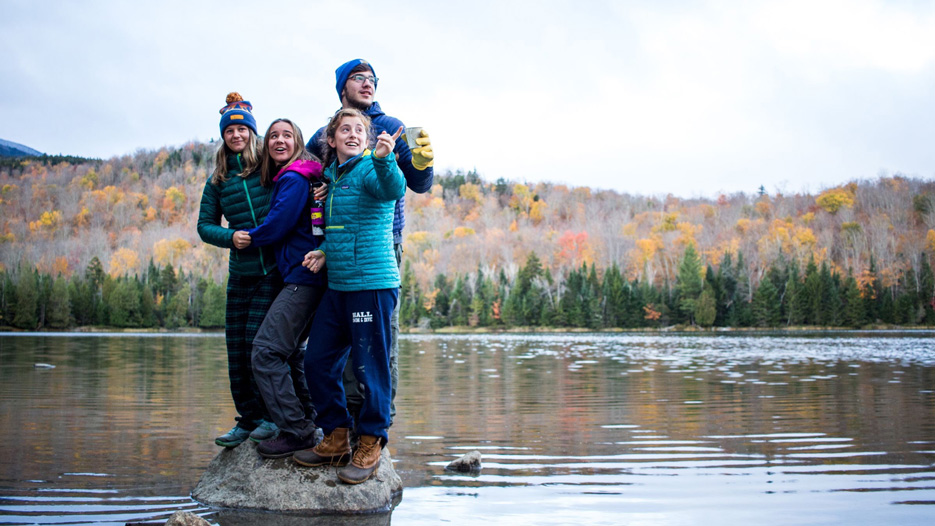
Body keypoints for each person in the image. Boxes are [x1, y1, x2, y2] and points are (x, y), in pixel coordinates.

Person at [306, 58, 434, 426]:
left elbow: (416, 184)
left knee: (378, 342)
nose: (367, 83)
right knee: (340, 343)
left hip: (382, 243)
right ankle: (344, 420)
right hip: (336, 245)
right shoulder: (323, 134)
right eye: (358, 78)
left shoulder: (392, 127)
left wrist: (423, 163)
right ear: (342, 86)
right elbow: (312, 178)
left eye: (372, 79)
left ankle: (379, 423)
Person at [293, 108, 406, 484]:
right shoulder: (333, 178)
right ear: (332, 139)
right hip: (339, 285)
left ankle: (371, 441)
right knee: (317, 361)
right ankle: (337, 437)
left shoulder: (374, 167)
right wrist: (325, 251)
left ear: (368, 139)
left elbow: (393, 189)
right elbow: (339, 228)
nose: (353, 134)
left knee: (369, 367)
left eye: (360, 129)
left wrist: (386, 157)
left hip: (371, 285)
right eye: (346, 129)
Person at [235, 118, 327, 459]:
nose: (279, 140)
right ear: (265, 146)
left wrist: (249, 238)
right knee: (290, 352)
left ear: (298, 142)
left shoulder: (292, 178)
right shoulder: (304, 176)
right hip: (309, 275)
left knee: (266, 351)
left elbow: (278, 225)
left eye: (287, 135)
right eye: (273, 136)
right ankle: (310, 421)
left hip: (305, 277)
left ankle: (296, 430)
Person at [197, 92, 282, 448]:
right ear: (223, 135)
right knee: (235, 350)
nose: (236, 135)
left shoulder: (267, 165)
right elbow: (204, 226)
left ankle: (270, 417)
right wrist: (231, 237)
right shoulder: (217, 179)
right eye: (230, 130)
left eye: (242, 129)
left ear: (252, 132)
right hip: (241, 272)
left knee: (256, 345)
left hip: (272, 269)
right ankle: (246, 420)